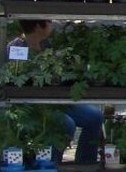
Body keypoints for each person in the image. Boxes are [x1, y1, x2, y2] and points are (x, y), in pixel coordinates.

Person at [8, 20, 103, 161]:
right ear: (38, 26)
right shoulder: (17, 48)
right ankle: (50, 168)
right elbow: (16, 80)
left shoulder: (46, 44)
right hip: (32, 106)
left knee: (95, 116)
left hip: (55, 101)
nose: (52, 25)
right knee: (66, 124)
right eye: (49, 22)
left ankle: (85, 166)